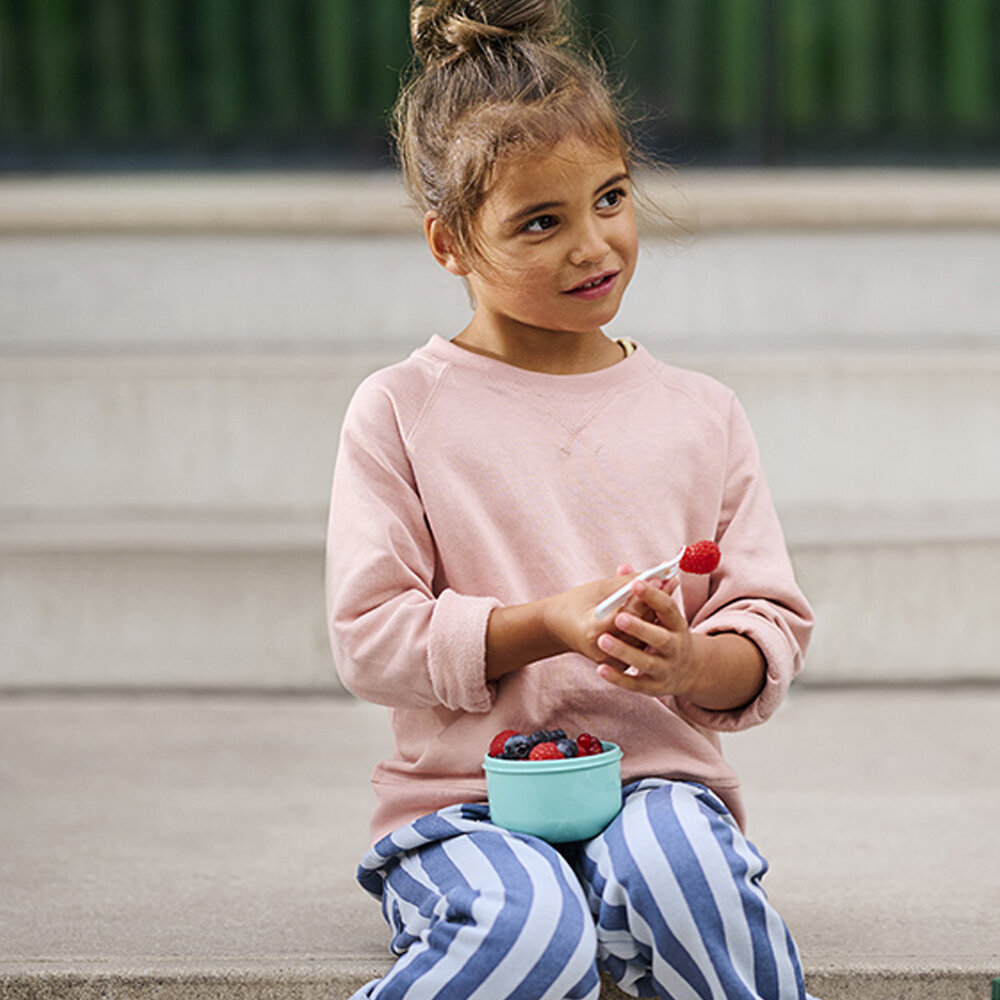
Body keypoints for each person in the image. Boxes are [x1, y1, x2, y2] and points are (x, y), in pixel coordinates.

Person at [326, 1, 816, 998]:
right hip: (467, 802)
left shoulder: (701, 415)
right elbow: (371, 637)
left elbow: (764, 629)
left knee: (687, 876)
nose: (594, 245)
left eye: (610, 197)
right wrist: (541, 623)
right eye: (539, 222)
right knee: (528, 928)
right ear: (448, 244)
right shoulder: (400, 411)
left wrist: (689, 660)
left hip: (658, 784)